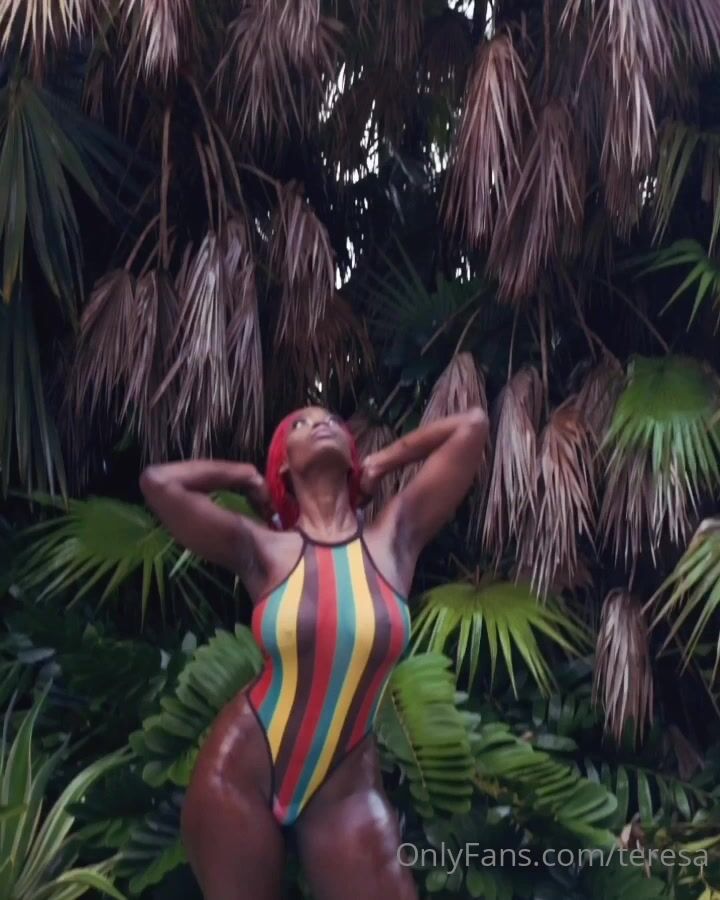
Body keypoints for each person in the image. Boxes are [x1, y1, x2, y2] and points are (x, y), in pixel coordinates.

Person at [139, 405, 489, 900]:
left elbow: (471, 425)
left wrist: (382, 461)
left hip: (343, 792)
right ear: (284, 464)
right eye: (299, 425)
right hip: (239, 773)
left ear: (351, 454)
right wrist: (245, 478)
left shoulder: (395, 538)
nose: (319, 424)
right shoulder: (260, 549)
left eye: (330, 421)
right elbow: (159, 483)